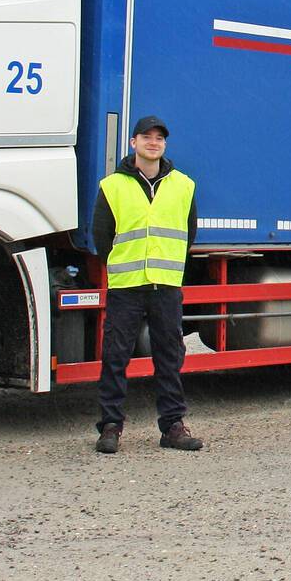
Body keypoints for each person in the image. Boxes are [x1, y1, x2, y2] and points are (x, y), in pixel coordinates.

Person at [91, 115, 203, 454]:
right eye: (146, 137)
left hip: (166, 285)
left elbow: (189, 234)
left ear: (164, 145)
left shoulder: (184, 186)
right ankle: (110, 427)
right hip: (127, 286)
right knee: (115, 356)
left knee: (170, 356)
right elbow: (102, 238)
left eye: (159, 138)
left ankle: (173, 427)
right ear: (133, 143)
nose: (153, 142)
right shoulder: (112, 186)